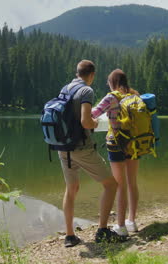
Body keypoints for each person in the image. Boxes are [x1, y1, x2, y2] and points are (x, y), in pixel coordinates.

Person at [58, 60, 122, 247]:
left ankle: (70, 236)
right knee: (111, 185)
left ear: (77, 72)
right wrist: (96, 123)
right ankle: (102, 231)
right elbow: (86, 121)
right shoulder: (86, 90)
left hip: (63, 147)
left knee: (71, 189)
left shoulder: (65, 88)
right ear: (91, 75)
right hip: (82, 148)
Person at [91, 69, 140, 238]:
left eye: (108, 82)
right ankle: (131, 221)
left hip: (117, 143)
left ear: (113, 82)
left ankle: (120, 226)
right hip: (134, 143)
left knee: (120, 185)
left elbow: (93, 114)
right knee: (132, 182)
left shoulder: (111, 97)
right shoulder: (135, 96)